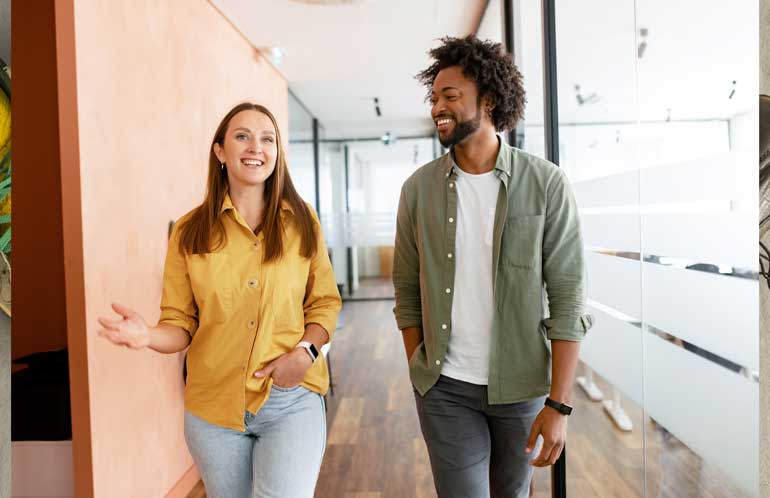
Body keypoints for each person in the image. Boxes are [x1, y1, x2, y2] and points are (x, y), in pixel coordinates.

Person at [97, 102, 341, 498]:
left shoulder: (301, 221)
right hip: (212, 409)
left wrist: (305, 354)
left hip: (290, 400)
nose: (255, 147)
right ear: (220, 152)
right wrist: (147, 336)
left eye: (267, 139)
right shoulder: (190, 232)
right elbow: (179, 326)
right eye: (242, 136)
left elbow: (324, 303)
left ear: (277, 153)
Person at [392, 36, 593, 498]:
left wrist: (558, 405)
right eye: (434, 97)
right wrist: (421, 371)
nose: (437, 107)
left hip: (521, 388)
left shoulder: (546, 183)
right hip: (445, 387)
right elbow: (406, 290)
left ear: (489, 100)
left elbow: (568, 295)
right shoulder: (417, 190)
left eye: (450, 96)